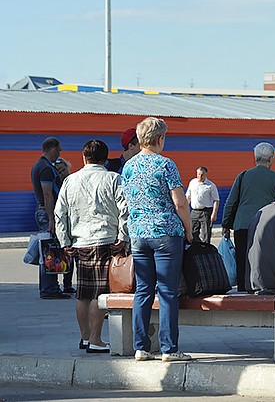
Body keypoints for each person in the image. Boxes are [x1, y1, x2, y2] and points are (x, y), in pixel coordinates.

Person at [121, 117, 193, 362]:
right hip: (165, 233)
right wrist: (189, 229)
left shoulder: (128, 166)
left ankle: (141, 347)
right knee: (167, 292)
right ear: (160, 138)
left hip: (139, 234)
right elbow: (180, 202)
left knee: (143, 290)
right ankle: (169, 349)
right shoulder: (166, 164)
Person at [54, 140, 129, 354]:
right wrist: (123, 236)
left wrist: (64, 241)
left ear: (84, 157)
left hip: (80, 242)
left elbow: (60, 214)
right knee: (101, 292)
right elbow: (124, 210)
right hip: (107, 240)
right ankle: (96, 339)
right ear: (105, 159)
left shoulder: (70, 180)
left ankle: (85, 337)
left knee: (83, 293)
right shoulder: (114, 178)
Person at [221, 142, 275, 291]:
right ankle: (260, 287)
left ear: (255, 158)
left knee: (243, 259)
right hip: (265, 225)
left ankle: (243, 289)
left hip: (242, 224)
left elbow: (231, 202)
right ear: (270, 159)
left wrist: (225, 224)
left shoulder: (243, 176)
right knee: (262, 259)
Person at [30, 137, 74, 299]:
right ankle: (49, 289)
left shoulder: (41, 165)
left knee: (49, 251)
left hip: (43, 211)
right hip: (46, 212)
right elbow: (48, 194)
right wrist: (52, 218)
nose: (60, 153)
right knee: (50, 252)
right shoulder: (46, 168)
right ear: (53, 149)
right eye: (59, 150)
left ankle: (51, 287)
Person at [185, 166, 220, 244]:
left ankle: (205, 250)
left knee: (205, 233)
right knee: (193, 231)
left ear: (206, 175)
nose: (200, 176)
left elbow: (216, 200)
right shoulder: (192, 183)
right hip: (194, 212)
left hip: (206, 212)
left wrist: (214, 214)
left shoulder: (211, 185)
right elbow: (188, 197)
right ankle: (195, 249)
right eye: (198, 174)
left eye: (202, 174)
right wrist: (185, 210)